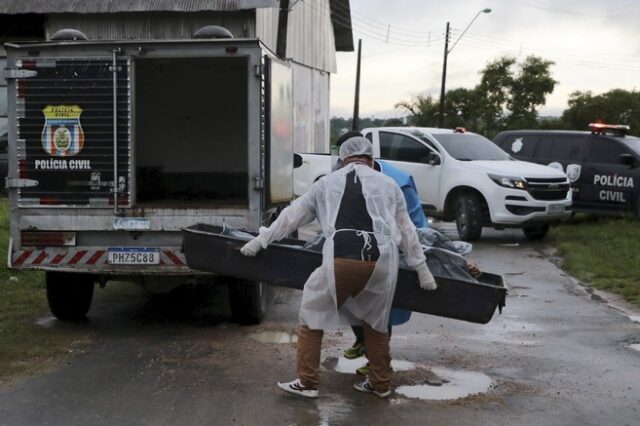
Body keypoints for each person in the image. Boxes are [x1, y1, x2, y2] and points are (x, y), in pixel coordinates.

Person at [240, 136, 436, 399]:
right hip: (383, 262)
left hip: (343, 258)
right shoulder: (389, 184)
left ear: (342, 159)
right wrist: (422, 271)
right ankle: (380, 384)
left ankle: (307, 382)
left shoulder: (327, 183)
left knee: (311, 314)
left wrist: (260, 241)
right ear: (370, 158)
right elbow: (407, 230)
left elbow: (292, 216)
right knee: (376, 324)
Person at [334, 132, 428, 375]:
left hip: (390, 252)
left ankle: (376, 366)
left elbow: (413, 224)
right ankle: (364, 344)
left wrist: (418, 263)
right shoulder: (345, 174)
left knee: (381, 311)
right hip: (358, 250)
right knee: (351, 301)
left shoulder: (397, 181)